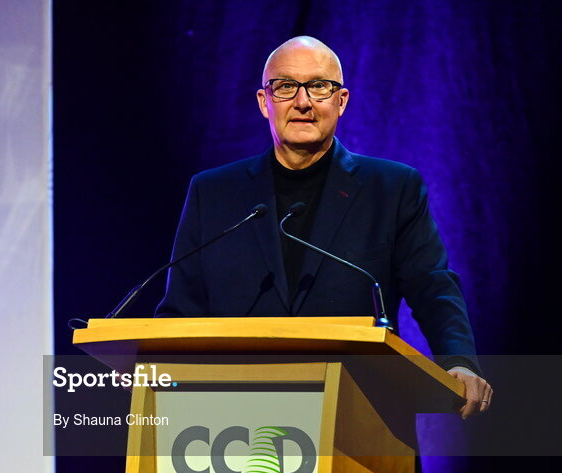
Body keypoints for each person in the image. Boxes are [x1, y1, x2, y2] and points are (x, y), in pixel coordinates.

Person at [155, 36, 492, 418]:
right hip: (232, 419)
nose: (303, 102)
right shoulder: (213, 192)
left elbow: (432, 286)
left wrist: (458, 360)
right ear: (264, 102)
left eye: (318, 86)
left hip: (360, 417)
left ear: (341, 101)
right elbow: (180, 311)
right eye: (285, 86)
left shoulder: (391, 188)